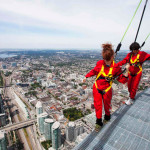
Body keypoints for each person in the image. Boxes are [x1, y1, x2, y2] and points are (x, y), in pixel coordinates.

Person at [83, 43, 130, 132]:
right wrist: (87, 76)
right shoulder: (100, 63)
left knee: (107, 104)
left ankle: (107, 116)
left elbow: (122, 79)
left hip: (106, 89)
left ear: (112, 57)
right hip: (97, 88)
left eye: (108, 60)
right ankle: (98, 122)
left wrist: (127, 70)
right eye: (105, 60)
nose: (107, 62)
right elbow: (94, 71)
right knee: (98, 105)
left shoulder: (116, 67)